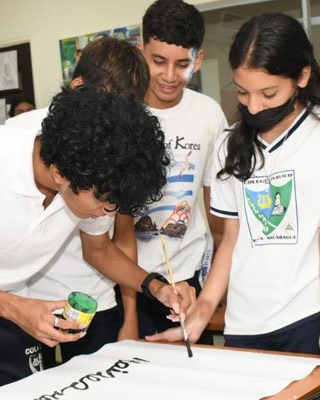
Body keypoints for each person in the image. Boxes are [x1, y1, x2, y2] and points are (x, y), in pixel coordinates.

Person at [0, 88, 194, 399]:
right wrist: (15, 307)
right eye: (105, 203)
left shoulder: (92, 179)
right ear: (59, 174)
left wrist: (155, 286)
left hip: (8, 313)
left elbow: (99, 251)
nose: (107, 212)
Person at [148, 12, 320, 384]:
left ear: (302, 77)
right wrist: (202, 310)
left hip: (311, 316)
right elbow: (231, 240)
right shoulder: (228, 143)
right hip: (245, 324)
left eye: (268, 94)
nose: (253, 107)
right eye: (242, 92)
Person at [10, 36, 150, 368]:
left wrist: (131, 312)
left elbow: (110, 243)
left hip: (95, 301)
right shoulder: (20, 139)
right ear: (78, 87)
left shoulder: (120, 145)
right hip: (26, 302)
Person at [121, 0, 228, 341]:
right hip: (125, 280)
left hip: (188, 281)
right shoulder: (121, 111)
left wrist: (216, 286)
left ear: (197, 59)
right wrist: (129, 315)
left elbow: (219, 214)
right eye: (158, 61)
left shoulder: (209, 114)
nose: (169, 76)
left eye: (182, 64)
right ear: (141, 51)